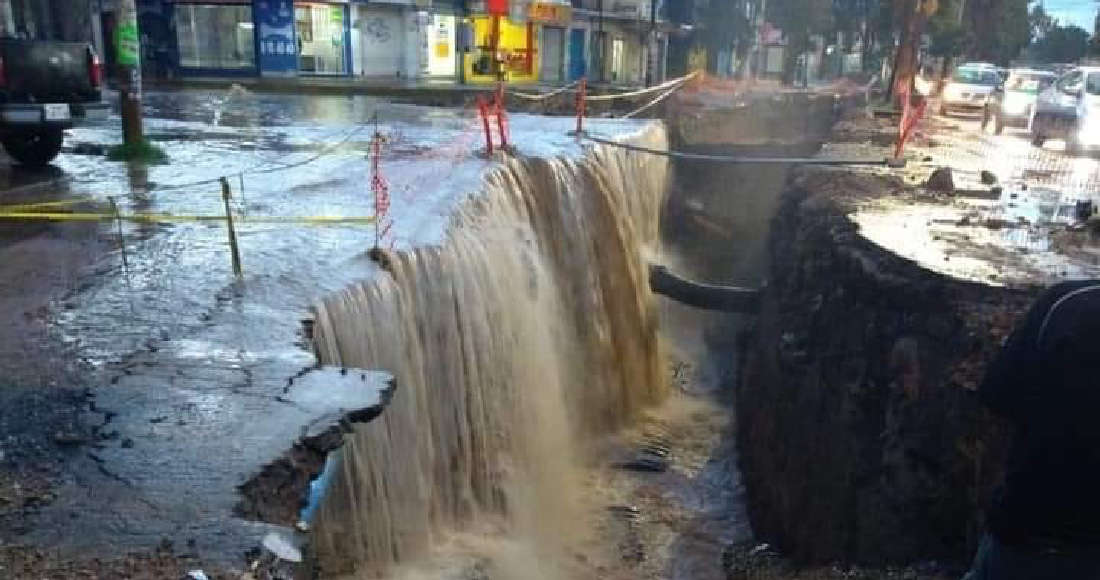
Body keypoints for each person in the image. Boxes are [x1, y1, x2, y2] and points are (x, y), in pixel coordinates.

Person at [964, 280, 1100, 579]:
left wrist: (987, 500)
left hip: (1026, 538)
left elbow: (997, 414)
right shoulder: (1063, 304)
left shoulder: (1064, 303)